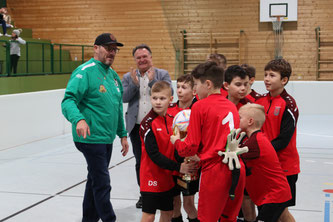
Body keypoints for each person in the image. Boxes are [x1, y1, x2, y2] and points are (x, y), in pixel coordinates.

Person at [61, 33, 129, 222]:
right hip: (90, 139)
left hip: (106, 139)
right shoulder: (85, 71)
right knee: (102, 183)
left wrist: (122, 134)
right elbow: (68, 101)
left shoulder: (114, 76)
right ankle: (109, 219)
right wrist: (79, 120)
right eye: (108, 48)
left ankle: (88, 219)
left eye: (115, 49)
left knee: (94, 181)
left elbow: (116, 108)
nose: (112, 52)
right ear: (96, 48)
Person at [170, 61, 246, 222]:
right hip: (237, 168)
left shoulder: (200, 106)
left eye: (196, 84)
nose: (195, 89)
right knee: (228, 218)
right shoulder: (231, 105)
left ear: (208, 84)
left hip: (216, 171)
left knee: (206, 219)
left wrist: (176, 141)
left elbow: (189, 148)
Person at [122, 43, 172, 208]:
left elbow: (167, 93)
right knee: (140, 161)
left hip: (158, 125)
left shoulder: (162, 74)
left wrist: (152, 82)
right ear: (135, 60)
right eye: (138, 57)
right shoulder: (128, 77)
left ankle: (163, 191)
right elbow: (124, 98)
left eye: (145, 56)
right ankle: (144, 193)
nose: (142, 60)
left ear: (150, 57)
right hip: (137, 127)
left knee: (162, 159)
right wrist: (135, 84)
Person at [139, 81, 197, 222]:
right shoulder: (148, 123)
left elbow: (176, 147)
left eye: (162, 98)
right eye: (155, 98)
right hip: (151, 177)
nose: (158, 102)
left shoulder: (173, 120)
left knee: (168, 213)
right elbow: (154, 155)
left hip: (168, 177)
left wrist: (188, 158)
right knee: (149, 216)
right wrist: (179, 167)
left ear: (171, 100)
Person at [256, 59, 300, 222]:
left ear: (284, 80)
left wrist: (257, 151)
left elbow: (283, 140)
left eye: (272, 75)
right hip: (264, 166)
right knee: (281, 214)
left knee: (271, 214)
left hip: (284, 168)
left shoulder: (289, 105)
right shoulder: (260, 101)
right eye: (266, 74)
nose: (267, 78)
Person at [239, 103, 292, 222]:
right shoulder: (255, 139)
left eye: (240, 117)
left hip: (274, 194)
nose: (237, 120)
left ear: (250, 121)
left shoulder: (254, 143)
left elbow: (235, 157)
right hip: (271, 193)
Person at [167, 74, 198, 222]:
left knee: (188, 204)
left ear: (194, 91)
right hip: (173, 164)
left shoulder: (199, 110)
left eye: (184, 87)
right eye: (178, 87)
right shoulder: (169, 110)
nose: (179, 90)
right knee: (174, 203)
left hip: (190, 165)